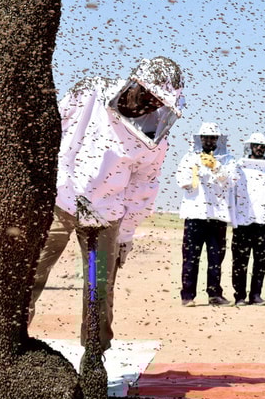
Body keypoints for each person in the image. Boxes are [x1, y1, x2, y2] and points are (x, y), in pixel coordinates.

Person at [29, 56, 185, 350]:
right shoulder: (90, 92)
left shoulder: (156, 139)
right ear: (133, 83)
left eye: (157, 103)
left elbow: (142, 189)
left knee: (97, 289)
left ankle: (94, 359)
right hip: (59, 203)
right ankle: (5, 347)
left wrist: (125, 236)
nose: (149, 106)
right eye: (147, 96)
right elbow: (49, 130)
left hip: (103, 220)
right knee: (29, 274)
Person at [176, 122, 235, 306]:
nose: (209, 141)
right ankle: (187, 296)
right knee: (190, 258)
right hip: (195, 214)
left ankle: (214, 294)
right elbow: (181, 180)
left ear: (218, 139)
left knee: (216, 258)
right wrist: (196, 172)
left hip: (217, 216)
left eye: (213, 137)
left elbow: (231, 181)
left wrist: (216, 167)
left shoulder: (228, 159)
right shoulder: (189, 158)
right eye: (206, 137)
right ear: (200, 138)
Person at [230, 132, 265, 306]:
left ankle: (256, 294)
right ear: (250, 147)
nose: (260, 148)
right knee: (240, 261)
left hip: (263, 222)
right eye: (257, 145)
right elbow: (231, 193)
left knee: (260, 261)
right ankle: (239, 296)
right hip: (242, 222)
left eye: (263, 146)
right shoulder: (239, 167)